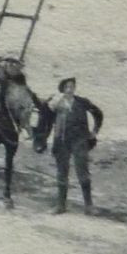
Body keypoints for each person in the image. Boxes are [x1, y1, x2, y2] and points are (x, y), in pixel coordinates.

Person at [48, 77, 104, 215]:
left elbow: (98, 113)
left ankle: (89, 206)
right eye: (66, 87)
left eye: (72, 86)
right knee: (62, 173)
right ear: (62, 89)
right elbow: (46, 117)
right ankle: (61, 205)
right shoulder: (56, 103)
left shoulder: (81, 102)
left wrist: (94, 131)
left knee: (83, 172)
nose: (69, 89)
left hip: (79, 141)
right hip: (61, 141)